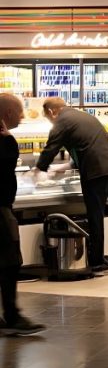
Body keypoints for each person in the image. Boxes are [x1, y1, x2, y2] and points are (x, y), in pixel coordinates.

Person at [35, 98, 108, 275]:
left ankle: (96, 263)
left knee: (96, 216)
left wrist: (39, 168)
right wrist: (62, 167)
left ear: (51, 112)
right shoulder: (84, 116)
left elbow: (51, 147)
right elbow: (88, 146)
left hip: (95, 173)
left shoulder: (62, 120)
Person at [0, 95, 45, 336]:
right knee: (10, 262)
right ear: (7, 113)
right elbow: (6, 165)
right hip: (1, 209)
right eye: (19, 112)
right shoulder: (4, 140)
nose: (23, 116)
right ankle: (12, 315)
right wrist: (9, 141)